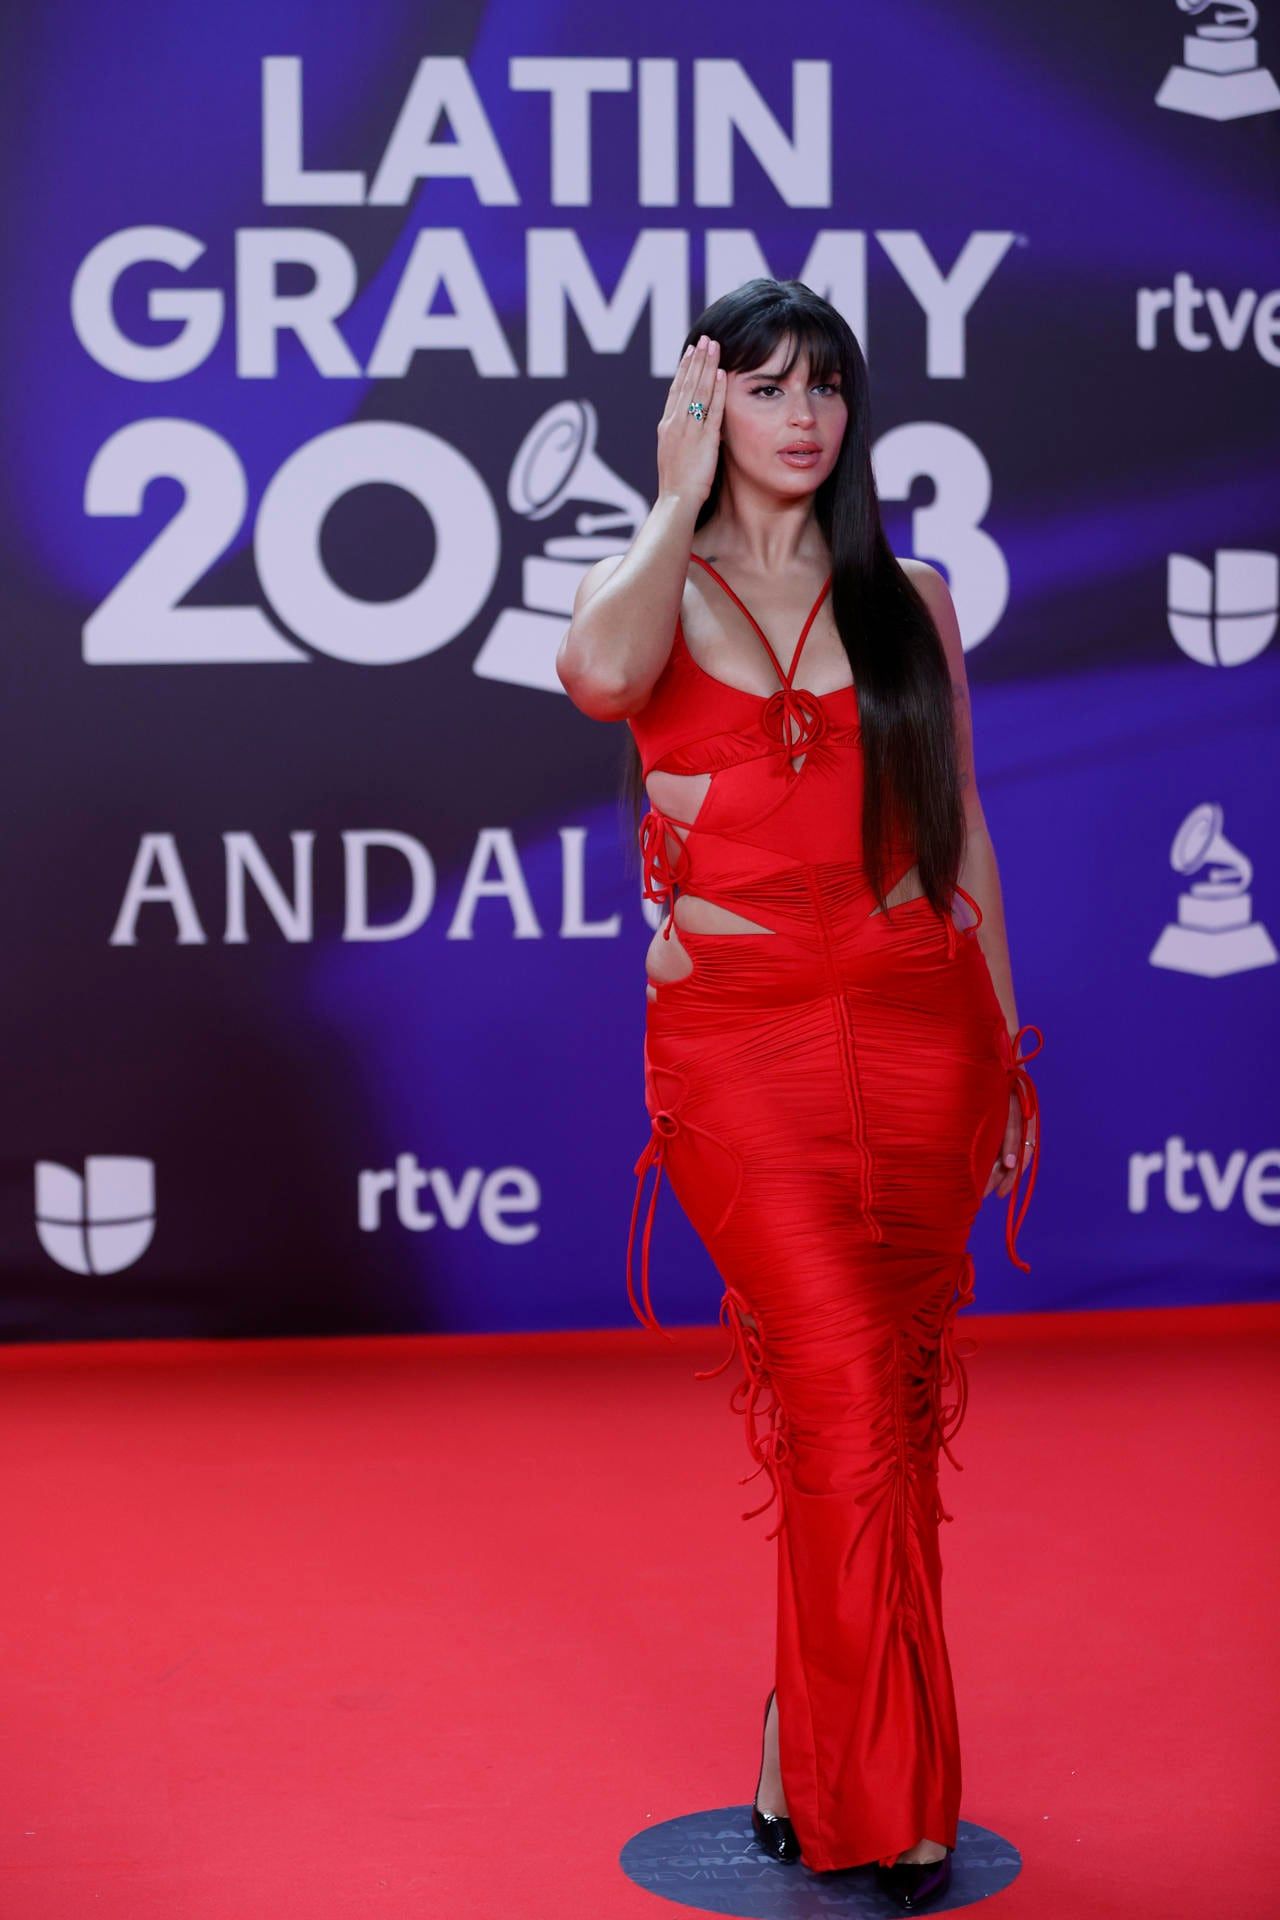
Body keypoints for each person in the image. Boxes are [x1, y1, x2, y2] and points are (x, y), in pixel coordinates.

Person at [556, 277, 1042, 1911]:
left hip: (921, 1034)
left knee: (884, 1416)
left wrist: (1007, 1046)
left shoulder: (909, 594)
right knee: (837, 1399)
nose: (803, 414)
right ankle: (871, 1804)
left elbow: (961, 835)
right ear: (710, 409)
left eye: (824, 385)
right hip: (740, 1046)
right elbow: (591, 676)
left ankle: (802, 1751)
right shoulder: (660, 586)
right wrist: (667, 495)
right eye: (764, 386)